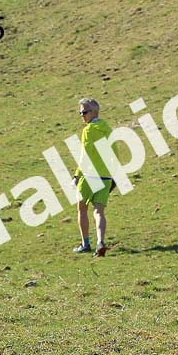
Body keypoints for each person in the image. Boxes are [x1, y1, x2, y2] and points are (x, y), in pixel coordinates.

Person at [71, 98, 113, 257]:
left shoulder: (88, 130)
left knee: (82, 208)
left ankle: (85, 243)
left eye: (84, 112)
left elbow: (85, 155)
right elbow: (114, 152)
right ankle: (100, 241)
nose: (82, 116)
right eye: (80, 113)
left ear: (94, 112)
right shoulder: (108, 129)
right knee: (99, 211)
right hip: (105, 176)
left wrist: (77, 175)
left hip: (89, 175)